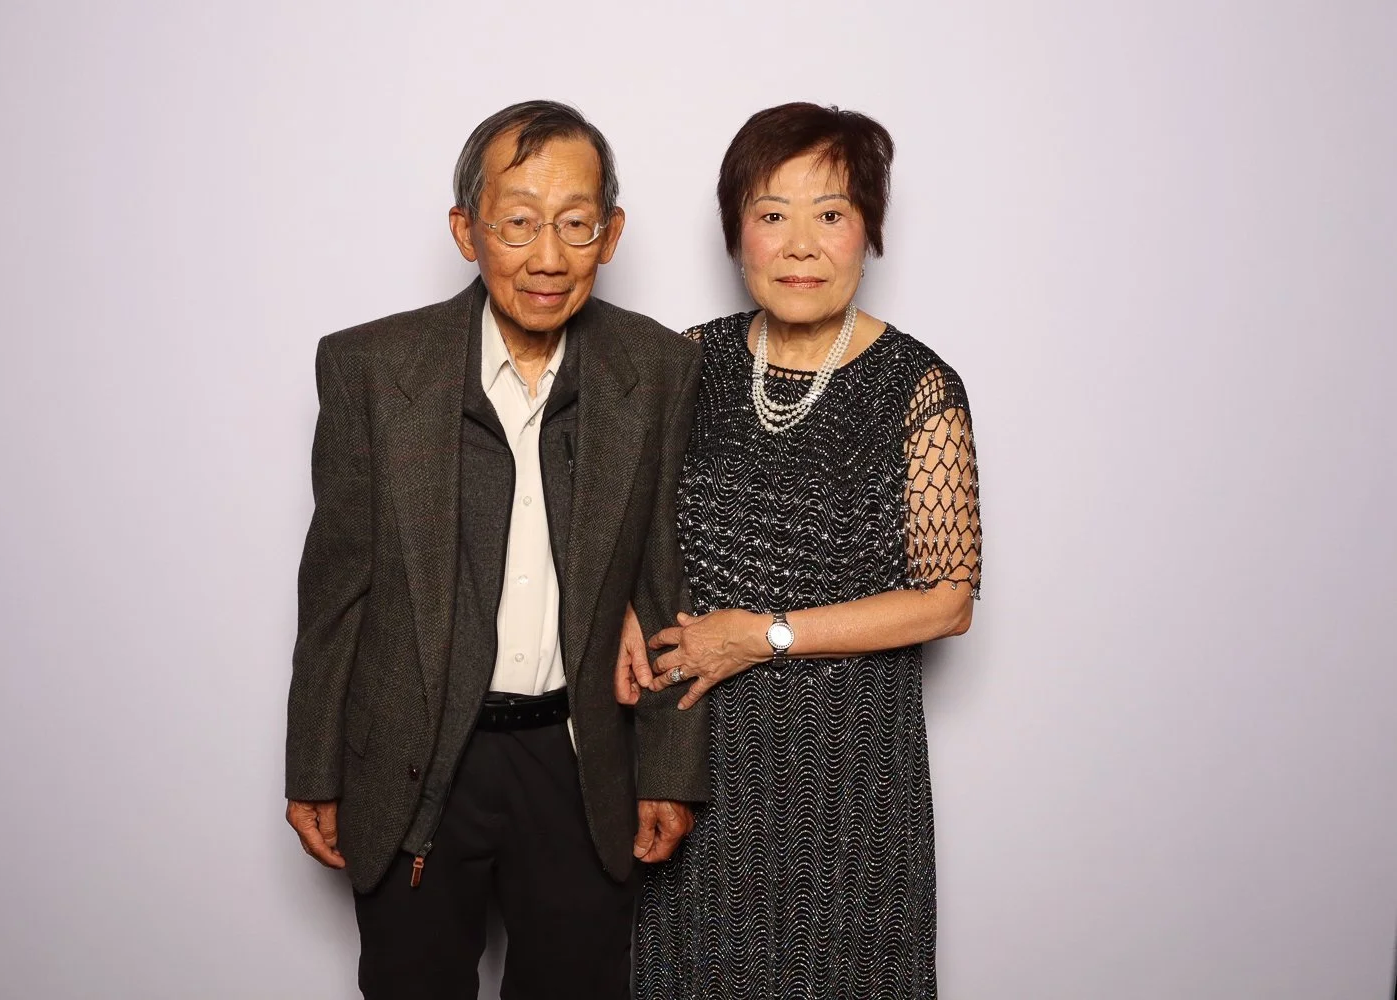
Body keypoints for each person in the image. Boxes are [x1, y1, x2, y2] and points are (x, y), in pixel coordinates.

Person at [284, 100, 707, 1000]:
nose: (547, 256)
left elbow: (663, 580)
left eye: (575, 224)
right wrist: (314, 766)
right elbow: (335, 591)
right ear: (466, 231)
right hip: (414, 753)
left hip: (579, 757)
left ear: (611, 234)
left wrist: (670, 768)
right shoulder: (371, 367)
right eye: (518, 222)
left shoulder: (658, 368)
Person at [621, 103, 983, 999]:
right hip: (694, 758)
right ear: (737, 234)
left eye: (830, 213)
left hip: (848, 767)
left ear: (869, 233)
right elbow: (624, 533)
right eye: (772, 213)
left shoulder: (918, 386)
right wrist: (623, 607)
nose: (800, 245)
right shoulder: (683, 363)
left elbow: (947, 601)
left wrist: (763, 635)